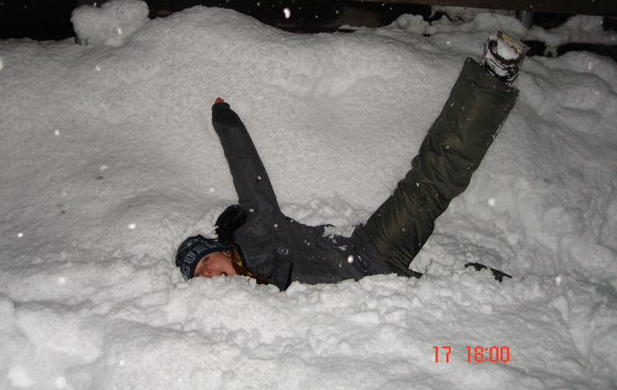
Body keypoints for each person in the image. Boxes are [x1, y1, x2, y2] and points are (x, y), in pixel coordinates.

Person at [176, 32, 529, 290]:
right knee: (466, 295)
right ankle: (526, 298)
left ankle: (490, 81)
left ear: (223, 250)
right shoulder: (241, 315)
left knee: (430, 181)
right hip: (379, 294)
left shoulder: (252, 235)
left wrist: (225, 120)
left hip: (370, 251)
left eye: (206, 260)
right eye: (199, 274)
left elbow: (248, 173)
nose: (207, 272)